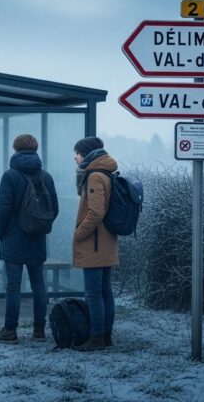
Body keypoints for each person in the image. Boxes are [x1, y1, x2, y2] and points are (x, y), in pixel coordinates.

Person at [0, 134, 59, 344]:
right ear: (35, 149)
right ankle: (39, 330)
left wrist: (0, 233)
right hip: (36, 238)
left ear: (15, 149)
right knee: (39, 283)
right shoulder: (45, 176)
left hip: (13, 237)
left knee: (13, 285)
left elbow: (3, 209)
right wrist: (39, 225)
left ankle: (10, 330)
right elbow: (54, 208)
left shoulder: (10, 176)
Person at [71, 136, 118, 351]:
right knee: (104, 291)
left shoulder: (95, 176)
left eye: (78, 153)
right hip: (105, 240)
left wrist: (79, 233)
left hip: (94, 242)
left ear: (87, 153)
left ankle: (97, 336)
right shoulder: (105, 172)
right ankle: (105, 335)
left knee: (94, 293)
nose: (75, 157)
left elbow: (96, 212)